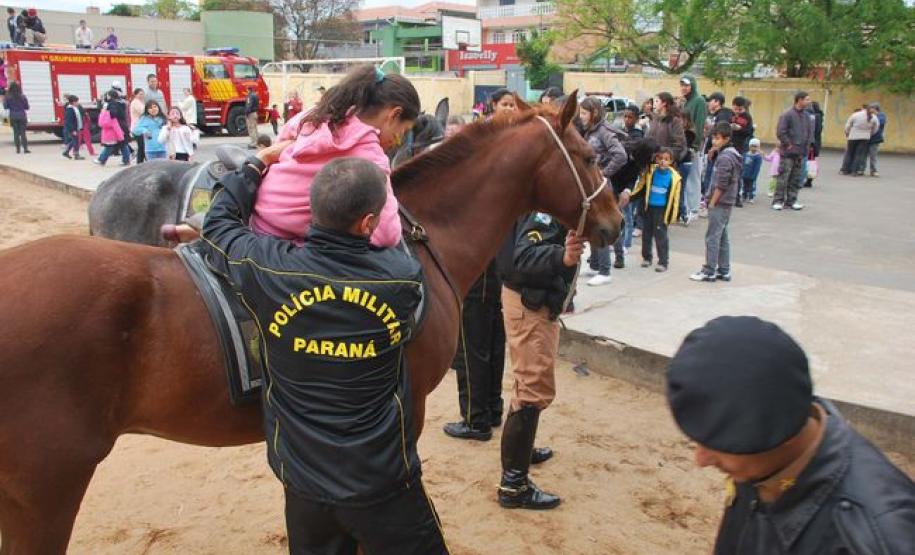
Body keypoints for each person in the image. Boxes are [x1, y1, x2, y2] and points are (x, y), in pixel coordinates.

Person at [201, 154, 449, 555]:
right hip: (382, 483)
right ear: (368, 223)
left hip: (304, 484)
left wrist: (252, 169)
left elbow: (217, 226)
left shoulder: (267, 268)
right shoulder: (402, 277)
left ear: (311, 211)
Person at [666, 316, 915, 555]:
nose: (700, 459)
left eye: (718, 445)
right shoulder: (762, 453)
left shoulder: (875, 538)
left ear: (783, 435)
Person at [495, 210, 584, 510]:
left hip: (532, 302)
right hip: (529, 304)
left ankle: (521, 452)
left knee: (528, 384)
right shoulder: (541, 211)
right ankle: (513, 484)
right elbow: (525, 256)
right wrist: (563, 257)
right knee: (532, 388)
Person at [441, 90, 516, 441]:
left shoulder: (479, 171)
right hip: (493, 263)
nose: (511, 110)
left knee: (475, 345)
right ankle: (492, 409)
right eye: (506, 105)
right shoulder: (509, 162)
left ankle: (476, 419)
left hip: (479, 267)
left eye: (514, 106)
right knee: (489, 341)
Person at [579, 96, 627, 284]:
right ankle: (595, 265)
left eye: (584, 113)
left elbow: (620, 155)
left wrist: (604, 173)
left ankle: (605, 270)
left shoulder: (604, 132)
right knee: (591, 223)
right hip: (593, 185)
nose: (581, 117)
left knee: (601, 225)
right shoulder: (590, 131)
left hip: (601, 187)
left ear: (594, 113)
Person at [691, 122, 741, 282]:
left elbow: (721, 184)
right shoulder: (729, 154)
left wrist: (711, 202)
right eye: (713, 137)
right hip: (726, 201)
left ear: (726, 139)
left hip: (720, 202)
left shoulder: (726, 158)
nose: (714, 141)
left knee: (712, 237)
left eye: (717, 138)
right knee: (722, 236)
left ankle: (709, 270)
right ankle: (724, 270)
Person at [629, 148, 681, 273]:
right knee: (646, 234)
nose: (663, 161)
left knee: (660, 236)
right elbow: (641, 187)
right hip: (648, 208)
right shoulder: (650, 172)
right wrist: (630, 197)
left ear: (671, 161)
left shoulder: (675, 178)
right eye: (660, 158)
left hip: (662, 210)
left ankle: (663, 261)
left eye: (666, 159)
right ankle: (647, 257)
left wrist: (673, 215)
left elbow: (676, 198)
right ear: (656, 159)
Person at [773, 91, 812, 211]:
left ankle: (792, 200)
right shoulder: (787, 114)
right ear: (799, 100)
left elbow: (809, 132)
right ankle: (778, 200)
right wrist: (788, 144)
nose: (808, 102)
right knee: (784, 176)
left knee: (796, 177)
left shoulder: (806, 116)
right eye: (806, 99)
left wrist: (809, 145)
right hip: (788, 153)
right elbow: (781, 131)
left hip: (801, 152)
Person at [646, 92, 687, 163]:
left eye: (656, 101)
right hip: (651, 161)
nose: (653, 104)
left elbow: (679, 146)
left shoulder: (674, 121)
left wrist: (663, 155)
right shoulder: (654, 119)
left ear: (664, 103)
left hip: (665, 164)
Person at [840, 104, 878, 177]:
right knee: (859, 154)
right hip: (865, 138)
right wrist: (870, 134)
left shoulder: (856, 115)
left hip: (853, 136)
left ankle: (845, 170)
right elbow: (876, 128)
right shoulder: (874, 117)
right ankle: (855, 171)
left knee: (849, 153)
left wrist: (847, 132)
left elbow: (848, 125)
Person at [95, 101, 130, 166]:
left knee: (109, 147)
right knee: (123, 146)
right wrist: (121, 136)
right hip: (114, 135)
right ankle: (126, 160)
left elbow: (100, 124)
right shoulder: (113, 117)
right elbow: (117, 128)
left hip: (107, 136)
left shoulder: (103, 115)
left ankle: (101, 159)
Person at [679, 75, 706, 152]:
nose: (683, 88)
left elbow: (699, 124)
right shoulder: (686, 101)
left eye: (687, 85)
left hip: (692, 145)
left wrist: (695, 145)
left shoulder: (699, 101)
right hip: (685, 143)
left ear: (692, 86)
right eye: (682, 85)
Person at [4, 82, 30, 154]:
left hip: (13, 116)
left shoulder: (8, 97)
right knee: (23, 133)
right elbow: (27, 107)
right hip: (22, 116)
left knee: (16, 133)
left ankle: (18, 149)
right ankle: (25, 149)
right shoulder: (23, 96)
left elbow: (5, 107)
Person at [804, 101, 824, 188]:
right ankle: (809, 180)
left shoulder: (812, 117)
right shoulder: (819, 117)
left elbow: (813, 132)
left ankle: (806, 180)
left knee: (805, 161)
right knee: (811, 162)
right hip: (815, 143)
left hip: (810, 143)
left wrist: (811, 144)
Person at [865, 102, 886, 178]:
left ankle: (873, 171)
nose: (869, 110)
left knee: (873, 156)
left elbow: (879, 123)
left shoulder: (881, 115)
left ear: (875, 109)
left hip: (875, 138)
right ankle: (860, 169)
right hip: (866, 137)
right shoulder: (869, 115)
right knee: (862, 155)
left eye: (871, 108)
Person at [62, 95, 84, 160]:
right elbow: (68, 121)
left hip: (76, 127)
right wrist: (73, 130)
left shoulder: (75, 108)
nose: (78, 103)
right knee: (76, 141)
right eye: (77, 101)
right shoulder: (70, 109)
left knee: (74, 140)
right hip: (72, 128)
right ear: (73, 102)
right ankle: (76, 154)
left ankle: (66, 152)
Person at [741, 139, 763, 204]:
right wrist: (741, 172)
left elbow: (757, 167)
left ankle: (751, 197)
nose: (754, 148)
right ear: (749, 146)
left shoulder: (758, 157)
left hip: (752, 175)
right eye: (752, 146)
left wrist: (754, 175)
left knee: (751, 187)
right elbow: (742, 164)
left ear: (758, 147)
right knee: (744, 186)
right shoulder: (745, 154)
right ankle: (744, 196)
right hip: (745, 174)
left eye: (756, 146)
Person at [129, 88, 147, 163]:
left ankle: (141, 161)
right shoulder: (135, 102)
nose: (141, 96)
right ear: (135, 95)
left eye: (142, 94)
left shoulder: (139, 102)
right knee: (141, 146)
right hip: (137, 127)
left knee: (142, 146)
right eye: (140, 94)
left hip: (140, 126)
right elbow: (143, 111)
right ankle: (139, 162)